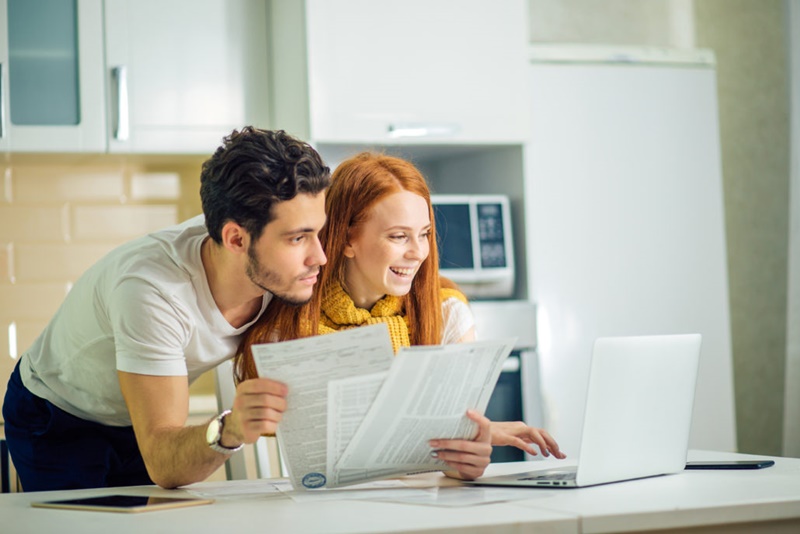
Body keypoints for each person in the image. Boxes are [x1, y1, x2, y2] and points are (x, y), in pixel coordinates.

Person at [2, 127, 330, 491]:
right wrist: (230, 428)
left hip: (142, 418)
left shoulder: (280, 269)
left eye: (317, 232)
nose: (320, 256)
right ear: (235, 238)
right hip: (58, 414)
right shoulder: (152, 290)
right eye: (298, 238)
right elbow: (164, 462)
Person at [235, 152, 564, 479]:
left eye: (424, 234)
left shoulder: (447, 312)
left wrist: (465, 459)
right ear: (347, 238)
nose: (419, 252)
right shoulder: (288, 324)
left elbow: (446, 454)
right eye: (398, 236)